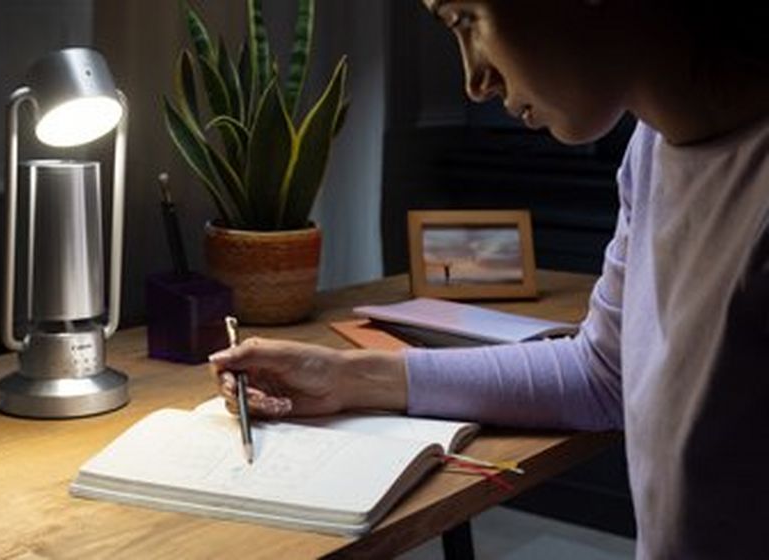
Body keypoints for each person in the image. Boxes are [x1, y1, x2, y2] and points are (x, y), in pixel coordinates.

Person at [210, 1, 769, 557]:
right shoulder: (648, 151)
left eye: (466, 19)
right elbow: (601, 371)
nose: (474, 81)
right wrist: (348, 378)